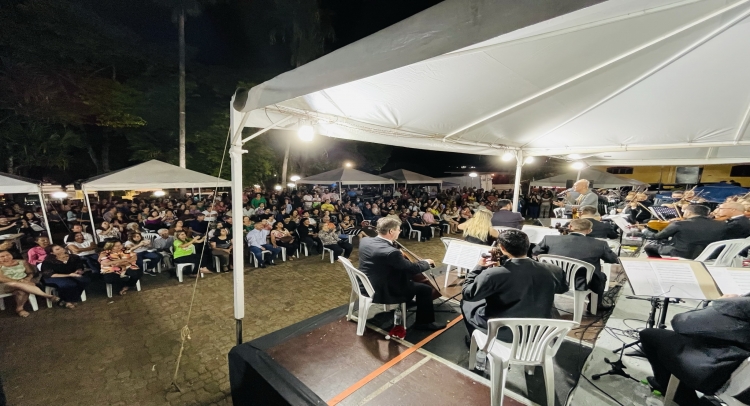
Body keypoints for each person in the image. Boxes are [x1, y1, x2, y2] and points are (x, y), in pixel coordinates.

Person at [639, 295, 750, 406]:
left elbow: (681, 322)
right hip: (745, 386)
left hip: (722, 375)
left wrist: (721, 303)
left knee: (649, 335)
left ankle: (681, 397)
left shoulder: (741, 304)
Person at [461, 230, 568, 341]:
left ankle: (475, 341)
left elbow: (468, 294)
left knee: (467, 303)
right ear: (527, 245)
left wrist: (478, 268)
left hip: (506, 331)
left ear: (502, 248)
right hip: (541, 328)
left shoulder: (492, 274)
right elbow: (562, 289)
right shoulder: (554, 269)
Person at [358, 217, 444, 331]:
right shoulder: (392, 253)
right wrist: (426, 263)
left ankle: (408, 301)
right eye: (398, 229)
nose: (400, 231)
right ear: (391, 232)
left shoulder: (365, 240)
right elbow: (412, 268)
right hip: (383, 291)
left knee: (405, 277)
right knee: (425, 289)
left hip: (367, 284)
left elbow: (384, 259)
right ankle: (424, 323)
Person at [532, 219, 618, 312]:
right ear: (589, 231)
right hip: (580, 282)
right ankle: (596, 305)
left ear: (570, 227)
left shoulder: (549, 239)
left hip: (552, 278)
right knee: (601, 276)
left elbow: (535, 253)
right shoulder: (600, 244)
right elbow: (612, 259)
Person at [1, 250, 73, 317]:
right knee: (15, 284)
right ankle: (49, 296)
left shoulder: (22, 262)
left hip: (25, 282)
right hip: (6, 284)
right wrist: (19, 281)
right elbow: (3, 278)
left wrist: (28, 278)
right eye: (2, 256)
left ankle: (20, 309)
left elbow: (30, 273)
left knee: (21, 291)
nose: (6, 257)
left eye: (7, 255)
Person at [642, 204, 727, 259]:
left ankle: (659, 265)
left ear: (689, 213)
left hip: (683, 254)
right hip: (711, 255)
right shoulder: (722, 224)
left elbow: (657, 236)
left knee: (649, 247)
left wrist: (644, 230)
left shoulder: (680, 224)